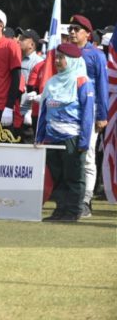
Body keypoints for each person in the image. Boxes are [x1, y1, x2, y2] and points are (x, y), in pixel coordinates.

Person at [36, 43, 94, 222]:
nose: (57, 61)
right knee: (57, 176)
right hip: (52, 137)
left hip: (72, 137)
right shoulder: (52, 82)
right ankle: (60, 210)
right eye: (57, 57)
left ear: (72, 60)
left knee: (73, 176)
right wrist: (40, 136)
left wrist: (84, 141)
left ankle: (73, 211)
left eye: (62, 58)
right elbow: (44, 111)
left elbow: (87, 115)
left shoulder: (82, 82)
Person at [67, 14, 108, 218]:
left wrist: (102, 115)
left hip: (89, 110)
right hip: (69, 110)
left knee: (88, 154)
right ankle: (71, 197)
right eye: (70, 29)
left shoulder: (96, 55)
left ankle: (86, 200)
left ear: (87, 34)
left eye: (77, 29)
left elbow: (102, 85)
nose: (72, 32)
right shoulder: (65, 53)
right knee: (70, 154)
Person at [17, 28, 43, 143]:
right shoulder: (16, 58)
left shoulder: (39, 62)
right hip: (15, 111)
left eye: (23, 39)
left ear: (31, 45)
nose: (19, 40)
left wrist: (30, 110)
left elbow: (36, 89)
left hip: (28, 114)